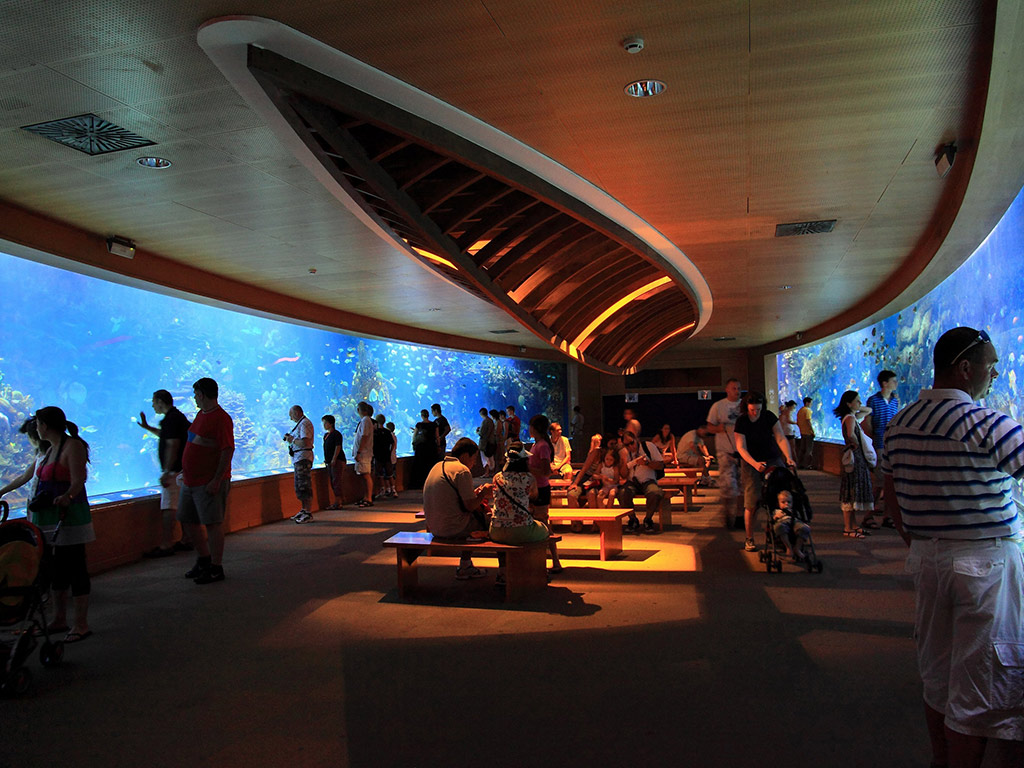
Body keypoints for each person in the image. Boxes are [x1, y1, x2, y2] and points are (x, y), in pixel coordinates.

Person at [883, 327, 1024, 768]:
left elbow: (891, 494)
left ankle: (940, 760)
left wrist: (923, 541)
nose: (995, 373)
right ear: (965, 369)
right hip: (985, 567)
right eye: (990, 364)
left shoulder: (900, 423)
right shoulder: (987, 424)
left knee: (938, 677)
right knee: (981, 685)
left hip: (928, 561)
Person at [32, 407, 95, 641]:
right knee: (57, 569)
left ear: (45, 426)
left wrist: (67, 496)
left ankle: (81, 624)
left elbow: (79, 479)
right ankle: (59, 618)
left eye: (38, 424)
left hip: (70, 517)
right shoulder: (50, 449)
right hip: (49, 518)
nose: (36, 428)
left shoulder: (73, 446)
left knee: (76, 566)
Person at [179, 378, 234, 585]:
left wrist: (217, 479)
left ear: (202, 394)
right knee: (188, 519)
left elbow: (227, 449)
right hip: (190, 481)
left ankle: (216, 567)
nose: (194, 398)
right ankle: (204, 559)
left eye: (195, 394)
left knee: (212, 523)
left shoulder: (221, 418)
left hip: (208, 481)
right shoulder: (201, 415)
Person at [422, 437, 492, 579]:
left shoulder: (437, 466)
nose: (474, 463)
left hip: (433, 526)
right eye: (474, 458)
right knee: (494, 522)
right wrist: (483, 493)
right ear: (465, 455)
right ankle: (502, 571)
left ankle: (466, 564)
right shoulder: (462, 470)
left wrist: (475, 494)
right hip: (453, 527)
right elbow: (470, 506)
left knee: (473, 518)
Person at [734, 391, 795, 552]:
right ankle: (749, 538)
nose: (755, 413)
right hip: (750, 462)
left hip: (772, 458)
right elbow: (741, 447)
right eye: (752, 410)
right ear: (747, 408)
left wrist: (788, 457)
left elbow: (780, 437)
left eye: (758, 409)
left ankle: (780, 534)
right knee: (752, 501)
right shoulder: (742, 421)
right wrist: (755, 464)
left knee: (780, 496)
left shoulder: (769, 417)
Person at [137, 390, 192, 556]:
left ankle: (166, 544)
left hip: (174, 471)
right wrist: (148, 428)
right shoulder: (175, 417)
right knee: (181, 505)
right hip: (182, 470)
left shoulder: (171, 419)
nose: (153, 406)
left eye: (154, 402)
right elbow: (166, 435)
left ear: (160, 401)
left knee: (169, 507)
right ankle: (187, 539)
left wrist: (167, 471)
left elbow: (173, 444)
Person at [489, 442, 549, 587]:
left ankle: (502, 572)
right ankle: (537, 571)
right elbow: (534, 496)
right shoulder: (529, 478)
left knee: (503, 540)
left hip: (496, 530)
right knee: (545, 530)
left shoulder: (497, 477)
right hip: (521, 530)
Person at [833, 390, 874, 538]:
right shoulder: (850, 418)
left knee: (852, 492)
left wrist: (855, 406)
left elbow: (868, 410)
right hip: (855, 458)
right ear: (848, 403)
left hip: (855, 458)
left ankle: (854, 525)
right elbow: (850, 434)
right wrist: (856, 444)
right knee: (850, 492)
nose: (860, 403)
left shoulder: (851, 416)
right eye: (857, 400)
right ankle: (848, 528)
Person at [863, 370, 900, 528]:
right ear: (885, 383)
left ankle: (887, 515)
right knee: (880, 481)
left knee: (890, 481)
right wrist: (875, 437)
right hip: (879, 444)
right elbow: (868, 423)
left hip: (892, 444)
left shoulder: (894, 401)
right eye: (893, 381)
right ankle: (868, 515)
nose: (896, 383)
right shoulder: (873, 400)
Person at [527, 415, 563, 574]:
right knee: (539, 523)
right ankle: (544, 560)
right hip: (535, 488)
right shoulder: (537, 444)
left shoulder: (542, 446)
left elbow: (546, 471)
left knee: (543, 524)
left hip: (541, 489)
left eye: (531, 426)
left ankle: (555, 560)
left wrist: (527, 467)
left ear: (536, 428)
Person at [706, 378, 744, 528]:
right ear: (727, 390)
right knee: (728, 485)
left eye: (739, 388)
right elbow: (709, 427)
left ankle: (740, 515)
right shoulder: (718, 406)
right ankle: (727, 513)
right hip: (725, 451)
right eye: (734, 388)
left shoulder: (745, 405)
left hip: (743, 451)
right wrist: (718, 429)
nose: (737, 391)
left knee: (743, 485)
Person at [619, 428, 665, 534]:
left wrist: (647, 463)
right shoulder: (624, 453)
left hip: (648, 480)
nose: (631, 446)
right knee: (622, 493)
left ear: (636, 439)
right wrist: (627, 462)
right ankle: (632, 519)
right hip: (632, 481)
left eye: (632, 443)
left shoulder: (648, 446)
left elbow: (660, 465)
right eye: (627, 445)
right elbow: (623, 474)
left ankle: (648, 519)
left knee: (655, 492)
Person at [0, 418, 48, 513]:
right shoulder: (41, 455)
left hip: (46, 503)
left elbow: (24, 477)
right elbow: (24, 477)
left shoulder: (49, 455)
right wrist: (2, 492)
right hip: (37, 502)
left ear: (34, 437)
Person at [284, 405, 315, 524]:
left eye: (291, 415)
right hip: (298, 458)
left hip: (303, 457)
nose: (290, 418)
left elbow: (305, 442)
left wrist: (292, 440)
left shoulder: (305, 423)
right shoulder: (301, 424)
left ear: (297, 413)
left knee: (304, 484)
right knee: (299, 485)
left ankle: (308, 512)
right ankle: (304, 509)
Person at [772, 490, 811, 562]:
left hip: (795, 522)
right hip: (783, 522)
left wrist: (804, 523)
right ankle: (788, 547)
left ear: (792, 503)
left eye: (789, 502)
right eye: (783, 502)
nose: (786, 504)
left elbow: (800, 518)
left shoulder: (794, 511)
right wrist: (776, 516)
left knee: (805, 528)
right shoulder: (777, 511)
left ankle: (797, 548)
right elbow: (774, 519)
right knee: (779, 527)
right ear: (779, 503)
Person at [566, 433, 603, 510]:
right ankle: (576, 517)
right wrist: (575, 483)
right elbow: (584, 469)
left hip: (596, 481)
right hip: (585, 478)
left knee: (592, 494)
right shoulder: (594, 453)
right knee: (571, 495)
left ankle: (595, 518)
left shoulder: (608, 454)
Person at [409, 409, 438, 490]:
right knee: (430, 466)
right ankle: (432, 483)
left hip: (421, 448)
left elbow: (414, 436)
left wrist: (413, 444)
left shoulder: (419, 425)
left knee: (420, 466)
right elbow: (437, 436)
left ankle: (419, 484)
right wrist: (438, 446)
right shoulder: (434, 424)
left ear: (422, 416)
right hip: (431, 448)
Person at [321, 414, 346, 509]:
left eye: (325, 423)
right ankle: (338, 500)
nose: (324, 425)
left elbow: (338, 446)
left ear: (331, 423)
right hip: (329, 461)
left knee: (336, 481)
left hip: (337, 460)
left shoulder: (336, 434)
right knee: (333, 481)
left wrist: (334, 458)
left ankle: (338, 502)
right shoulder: (326, 435)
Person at [353, 401, 375, 507]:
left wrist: (359, 451)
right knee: (363, 475)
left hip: (364, 453)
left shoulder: (366, 420)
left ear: (359, 410)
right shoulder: (365, 420)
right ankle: (365, 497)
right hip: (363, 453)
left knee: (366, 475)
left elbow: (364, 436)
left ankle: (369, 498)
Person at [373, 414, 397, 498]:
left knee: (380, 475)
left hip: (378, 456)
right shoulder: (387, 432)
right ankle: (393, 490)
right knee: (390, 474)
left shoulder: (375, 432)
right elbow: (392, 443)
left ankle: (383, 490)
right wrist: (390, 451)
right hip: (387, 456)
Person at [779, 400, 800, 466]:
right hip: (789, 432)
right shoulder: (788, 412)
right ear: (790, 406)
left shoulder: (782, 413)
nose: (794, 409)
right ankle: (795, 462)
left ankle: (784, 463)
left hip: (783, 432)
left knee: (783, 449)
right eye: (793, 407)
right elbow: (788, 420)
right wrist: (797, 423)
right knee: (792, 448)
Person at [796, 397, 816, 469]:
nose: (811, 405)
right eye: (811, 403)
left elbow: (798, 422)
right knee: (808, 450)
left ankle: (799, 464)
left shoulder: (800, 410)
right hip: (808, 433)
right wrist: (812, 431)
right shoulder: (807, 410)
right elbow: (808, 421)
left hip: (802, 432)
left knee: (802, 449)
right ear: (807, 403)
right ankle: (807, 465)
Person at [477, 407, 497, 476]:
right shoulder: (491, 421)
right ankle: (492, 472)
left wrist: (478, 432)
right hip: (491, 442)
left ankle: (487, 472)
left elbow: (482, 433)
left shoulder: (485, 421)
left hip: (485, 443)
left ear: (481, 414)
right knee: (491, 457)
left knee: (485, 458)